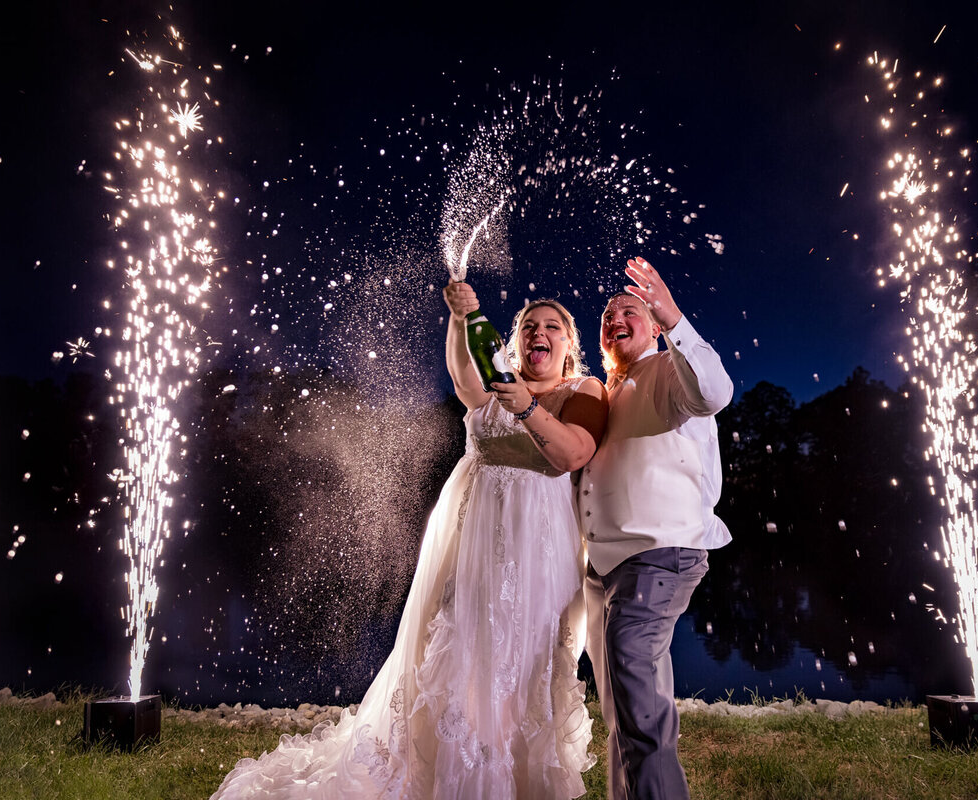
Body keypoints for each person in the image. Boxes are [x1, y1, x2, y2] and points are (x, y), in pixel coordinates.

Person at [212, 282, 607, 799]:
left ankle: (517, 778)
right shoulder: (493, 383)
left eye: (552, 327)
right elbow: (463, 376)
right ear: (513, 341)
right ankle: (457, 774)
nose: (539, 332)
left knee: (528, 656)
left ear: (568, 345)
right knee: (465, 645)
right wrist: (460, 318)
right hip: (472, 539)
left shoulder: (584, 390)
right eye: (529, 325)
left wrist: (527, 407)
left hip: (540, 545)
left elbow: (575, 453)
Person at [578, 256, 733, 800]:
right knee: (623, 706)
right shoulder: (604, 392)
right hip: (606, 568)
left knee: (639, 704)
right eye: (608, 314)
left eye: (631, 310)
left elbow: (714, 393)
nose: (617, 317)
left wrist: (674, 320)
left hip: (657, 555)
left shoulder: (668, 372)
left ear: (652, 326)